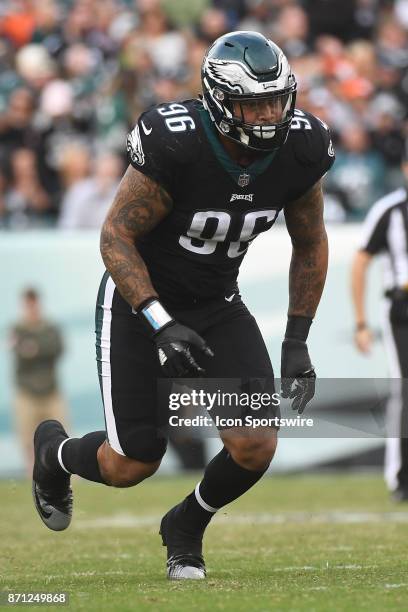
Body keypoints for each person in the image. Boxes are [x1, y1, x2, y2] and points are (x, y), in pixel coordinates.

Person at [32, 31, 334, 579]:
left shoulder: (302, 146)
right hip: (138, 301)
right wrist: (159, 320)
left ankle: (187, 525)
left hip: (217, 302)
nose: (268, 115)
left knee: (255, 444)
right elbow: (115, 238)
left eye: (275, 100)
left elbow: (310, 240)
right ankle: (54, 453)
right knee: (132, 464)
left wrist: (297, 338)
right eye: (252, 103)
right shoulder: (177, 140)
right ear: (219, 101)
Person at [351, 150, 408, 502]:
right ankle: (401, 477)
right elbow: (361, 262)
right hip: (403, 305)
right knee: (404, 390)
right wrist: (361, 322)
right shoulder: (390, 210)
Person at [9, 288, 67, 476]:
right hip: (26, 393)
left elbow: (56, 348)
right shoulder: (17, 328)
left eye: (34, 303)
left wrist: (34, 348)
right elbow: (19, 351)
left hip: (51, 391)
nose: (32, 307)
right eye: (28, 303)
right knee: (28, 440)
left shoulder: (50, 327)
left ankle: (65, 475)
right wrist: (36, 349)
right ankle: (33, 476)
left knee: (61, 435)